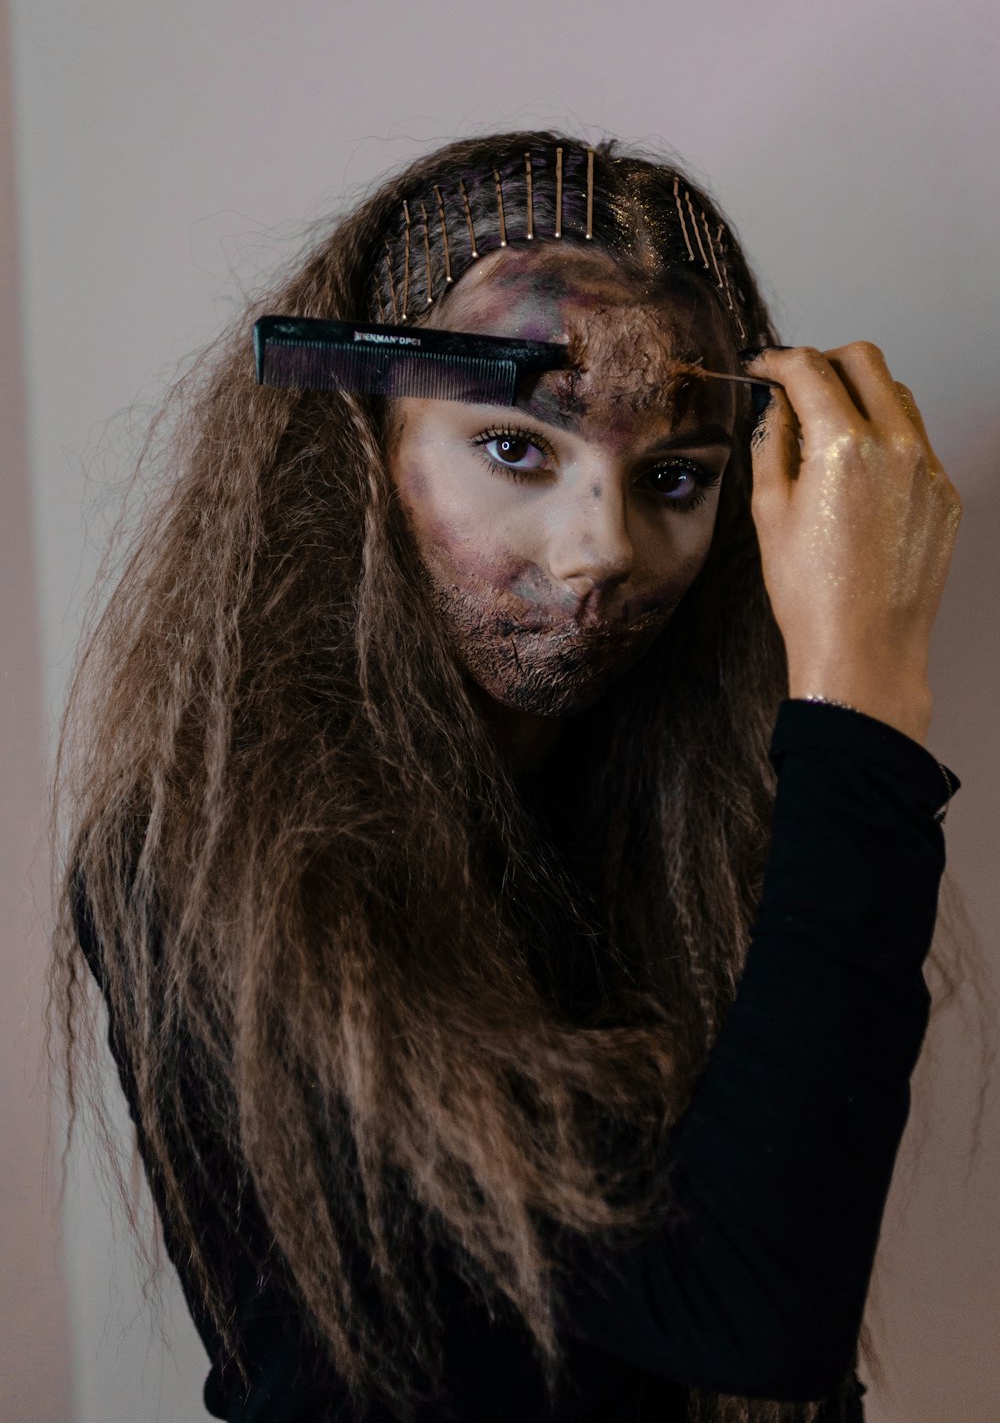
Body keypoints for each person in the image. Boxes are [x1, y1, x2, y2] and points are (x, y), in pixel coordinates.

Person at [50, 131, 967, 1423]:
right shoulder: (215, 858)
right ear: (361, 446)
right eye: (518, 450)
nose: (599, 547)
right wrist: (867, 689)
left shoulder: (699, 812)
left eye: (675, 476)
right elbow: (750, 1309)